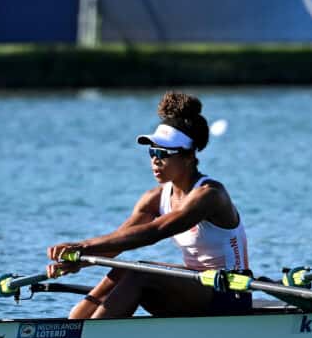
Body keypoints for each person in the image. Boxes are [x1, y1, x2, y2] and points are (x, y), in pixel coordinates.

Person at [46, 91, 251, 319]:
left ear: (188, 156)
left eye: (163, 152)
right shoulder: (155, 197)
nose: (155, 159)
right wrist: (77, 261)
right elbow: (120, 241)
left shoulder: (210, 194)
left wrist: (83, 246)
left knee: (141, 274)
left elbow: (155, 232)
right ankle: (73, 330)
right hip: (196, 286)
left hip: (231, 292)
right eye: (152, 151)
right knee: (126, 269)